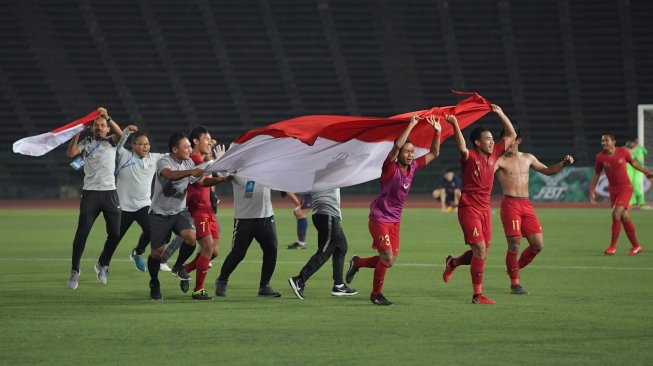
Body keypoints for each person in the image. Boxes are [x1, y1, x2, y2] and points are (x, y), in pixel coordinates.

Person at [345, 114, 441, 306]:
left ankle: (358, 262)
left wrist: (437, 132)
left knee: (389, 261)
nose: (411, 155)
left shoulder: (413, 167)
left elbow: (434, 153)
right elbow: (396, 146)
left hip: (395, 221)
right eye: (407, 152)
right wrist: (411, 126)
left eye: (412, 152)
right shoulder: (390, 167)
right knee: (387, 257)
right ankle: (376, 295)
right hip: (379, 218)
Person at [441, 105, 517, 305]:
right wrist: (455, 124)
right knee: (480, 250)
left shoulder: (494, 155)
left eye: (493, 139)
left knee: (480, 253)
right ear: (477, 142)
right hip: (468, 209)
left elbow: (511, 134)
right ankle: (477, 295)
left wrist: (500, 113)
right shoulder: (470, 157)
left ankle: (453, 262)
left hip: (485, 210)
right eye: (488, 139)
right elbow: (461, 148)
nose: (493, 142)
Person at [494, 126, 574, 294]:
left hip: (526, 204)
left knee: (537, 245)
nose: (506, 142)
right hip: (510, 204)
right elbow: (485, 175)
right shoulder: (499, 161)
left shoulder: (528, 158)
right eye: (504, 139)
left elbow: (547, 171)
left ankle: (513, 268)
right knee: (514, 244)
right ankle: (515, 283)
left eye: (510, 138)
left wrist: (564, 163)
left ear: (518, 140)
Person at [146, 132, 222, 300]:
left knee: (191, 237)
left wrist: (221, 180)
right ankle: (154, 282)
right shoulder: (164, 161)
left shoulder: (188, 162)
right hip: (160, 214)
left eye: (189, 146)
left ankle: (179, 266)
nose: (189, 149)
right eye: (186, 147)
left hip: (179, 212)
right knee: (157, 253)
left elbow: (201, 182)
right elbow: (170, 175)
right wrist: (191, 171)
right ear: (174, 149)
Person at [65, 107, 132, 289]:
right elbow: (71, 154)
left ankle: (103, 264)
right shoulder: (86, 142)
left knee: (115, 234)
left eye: (102, 125)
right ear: (92, 128)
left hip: (110, 193)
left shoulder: (112, 142)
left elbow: (120, 133)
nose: (100, 128)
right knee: (82, 233)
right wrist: (77, 133)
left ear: (107, 129)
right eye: (96, 125)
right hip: (90, 193)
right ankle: (74, 271)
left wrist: (107, 117)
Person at [95, 130, 167, 273]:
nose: (145, 147)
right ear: (133, 146)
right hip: (123, 207)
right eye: (141, 144)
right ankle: (102, 264)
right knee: (114, 238)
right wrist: (126, 132)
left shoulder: (154, 158)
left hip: (143, 206)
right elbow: (120, 143)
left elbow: (174, 156)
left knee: (152, 231)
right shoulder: (124, 154)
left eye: (147, 144)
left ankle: (137, 253)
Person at [173, 126, 230, 299]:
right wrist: (221, 174)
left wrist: (220, 173)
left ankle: (185, 270)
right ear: (196, 141)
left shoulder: (201, 158)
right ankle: (199, 289)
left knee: (214, 251)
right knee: (206, 247)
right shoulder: (193, 158)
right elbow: (201, 182)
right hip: (198, 209)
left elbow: (208, 172)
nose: (210, 142)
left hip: (208, 209)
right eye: (207, 139)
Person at [214, 176, 282, 298]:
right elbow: (222, 173)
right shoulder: (238, 170)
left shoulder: (266, 169)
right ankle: (222, 280)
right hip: (244, 218)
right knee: (238, 253)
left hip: (266, 216)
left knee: (272, 250)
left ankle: (264, 286)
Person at [589, 133, 653, 256]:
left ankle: (612, 247)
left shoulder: (623, 152)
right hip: (613, 191)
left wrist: (646, 173)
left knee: (615, 213)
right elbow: (597, 175)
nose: (603, 143)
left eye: (606, 140)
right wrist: (592, 190)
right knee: (624, 217)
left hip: (626, 188)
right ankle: (636, 246)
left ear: (613, 142)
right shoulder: (600, 157)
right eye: (602, 141)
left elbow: (633, 164)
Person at [288, 189, 357, 299]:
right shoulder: (327, 172)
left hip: (326, 213)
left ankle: (339, 285)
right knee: (325, 251)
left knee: (341, 246)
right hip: (327, 213)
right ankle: (300, 280)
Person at [626, 139, 648, 207]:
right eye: (631, 142)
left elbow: (646, 152)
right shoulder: (626, 148)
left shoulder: (640, 148)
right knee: (629, 185)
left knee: (636, 186)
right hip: (629, 168)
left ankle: (641, 201)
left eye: (634, 142)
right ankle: (632, 201)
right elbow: (627, 151)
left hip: (638, 170)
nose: (632, 144)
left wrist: (640, 147)